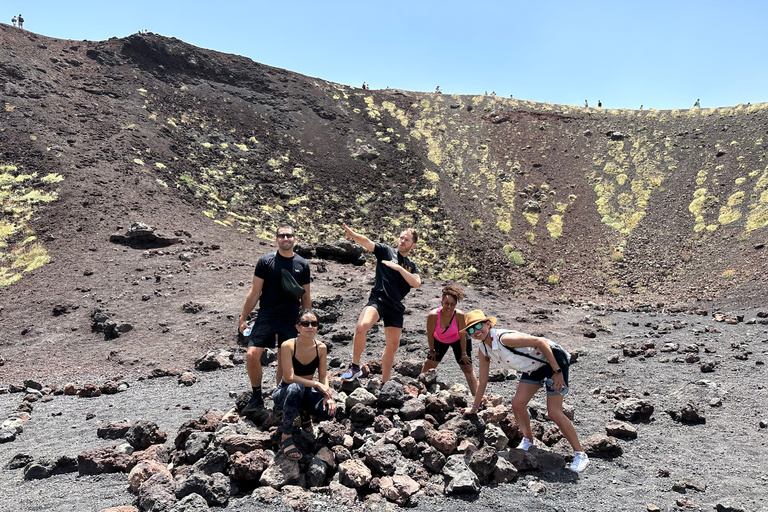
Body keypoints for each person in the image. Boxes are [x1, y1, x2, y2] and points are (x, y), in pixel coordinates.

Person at [461, 310, 589, 473]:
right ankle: (528, 441)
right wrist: (474, 408)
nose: (476, 331)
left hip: (553, 364)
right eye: (471, 330)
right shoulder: (484, 349)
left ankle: (581, 454)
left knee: (554, 412)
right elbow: (483, 380)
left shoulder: (504, 338)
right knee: (517, 404)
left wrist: (557, 372)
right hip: (533, 368)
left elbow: (541, 342)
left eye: (478, 326)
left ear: (488, 324)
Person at [238, 225, 311, 413]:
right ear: (276, 239)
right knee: (252, 354)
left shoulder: (302, 264)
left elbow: (306, 295)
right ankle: (256, 396)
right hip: (267, 315)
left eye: (289, 235)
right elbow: (255, 292)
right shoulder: (265, 262)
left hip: (290, 317)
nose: (286, 238)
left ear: (294, 238)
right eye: (282, 236)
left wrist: (307, 320)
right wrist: (243, 317)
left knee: (284, 359)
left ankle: (279, 399)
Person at [340, 223, 420, 383]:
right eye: (401, 237)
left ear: (413, 245)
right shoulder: (386, 251)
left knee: (393, 345)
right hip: (379, 300)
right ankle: (355, 367)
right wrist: (355, 235)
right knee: (361, 326)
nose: (402, 241)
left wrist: (399, 269)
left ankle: (385, 381)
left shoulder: (411, 266)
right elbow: (368, 243)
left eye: (407, 239)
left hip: (395, 306)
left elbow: (416, 283)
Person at [273, 309, 336, 459]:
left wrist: (327, 395)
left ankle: (304, 413)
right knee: (296, 388)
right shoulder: (288, 345)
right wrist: (315, 384)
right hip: (285, 391)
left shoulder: (321, 348)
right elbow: (288, 377)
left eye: (314, 324)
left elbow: (323, 376)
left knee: (329, 411)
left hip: (306, 391)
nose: (310, 327)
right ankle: (286, 436)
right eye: (305, 323)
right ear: (298, 327)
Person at [420, 284, 477, 395]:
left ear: (456, 304)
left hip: (459, 340)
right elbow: (430, 334)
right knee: (429, 364)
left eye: (452, 304)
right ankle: (419, 389)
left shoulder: (460, 315)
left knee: (467, 367)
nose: (449, 307)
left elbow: (462, 336)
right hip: (440, 339)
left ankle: (477, 398)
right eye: (446, 303)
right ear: (442, 301)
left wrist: (464, 354)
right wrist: (432, 350)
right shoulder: (433, 315)